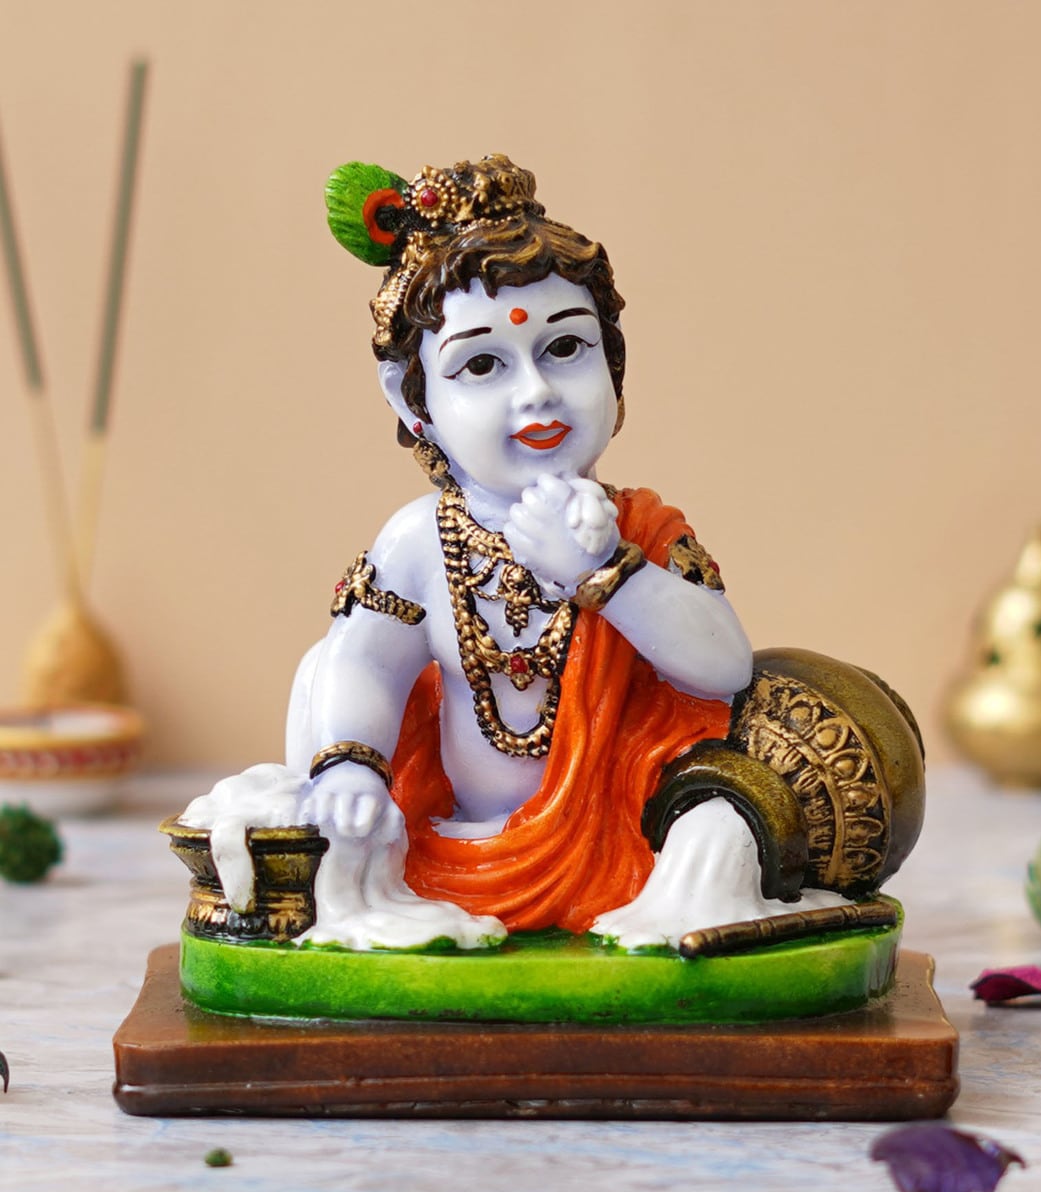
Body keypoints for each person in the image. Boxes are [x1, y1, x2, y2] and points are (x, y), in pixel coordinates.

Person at [268, 153, 855, 952]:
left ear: (614, 362)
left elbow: (722, 666)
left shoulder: (639, 529)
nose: (536, 391)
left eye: (566, 348)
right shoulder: (420, 541)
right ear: (412, 400)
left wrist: (605, 572)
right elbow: (366, 663)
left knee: (718, 835)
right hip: (454, 839)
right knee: (322, 701)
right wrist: (350, 765)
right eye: (482, 364)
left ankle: (668, 924)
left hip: (618, 827)